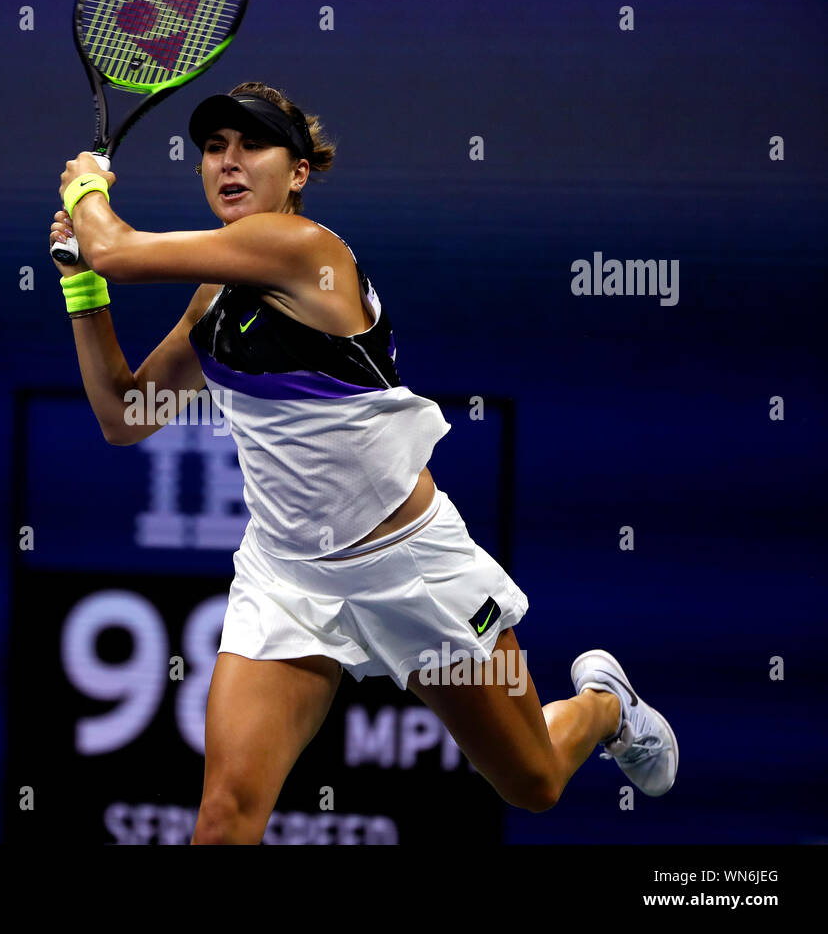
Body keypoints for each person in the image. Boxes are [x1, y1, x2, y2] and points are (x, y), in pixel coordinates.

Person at [48, 82, 678, 844]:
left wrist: (85, 190)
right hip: (287, 581)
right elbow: (124, 414)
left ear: (300, 173)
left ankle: (606, 705)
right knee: (222, 819)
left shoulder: (306, 251)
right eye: (213, 148)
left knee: (533, 782)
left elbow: (117, 247)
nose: (229, 162)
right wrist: (82, 287)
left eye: (253, 145)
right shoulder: (213, 293)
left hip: (412, 570)